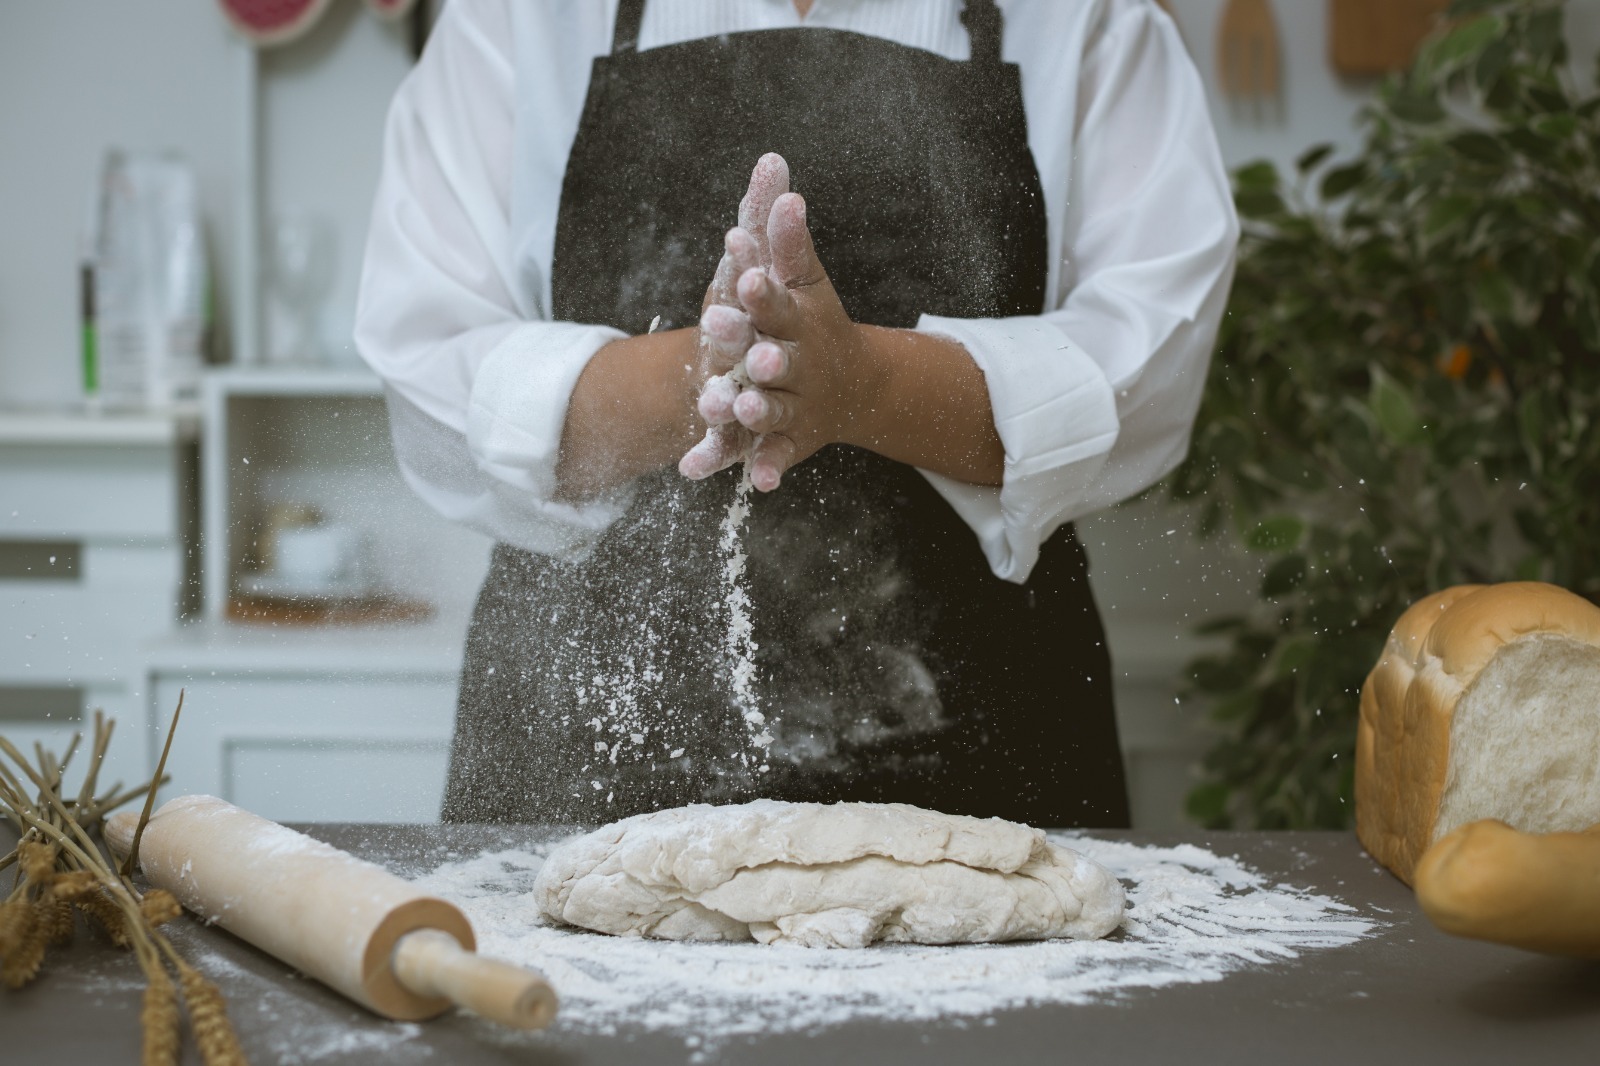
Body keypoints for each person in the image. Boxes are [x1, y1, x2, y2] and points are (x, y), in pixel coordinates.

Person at [354, 0, 1238, 827]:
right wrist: (701, 375)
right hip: (586, 737)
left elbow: (1151, 362)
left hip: (982, 739)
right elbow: (433, 368)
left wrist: (865, 386)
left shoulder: (1088, 19)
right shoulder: (514, 15)